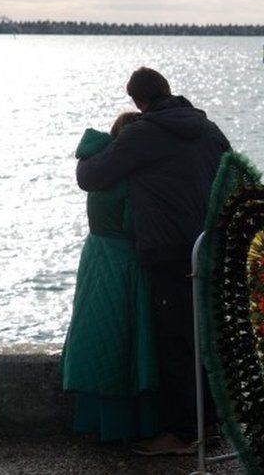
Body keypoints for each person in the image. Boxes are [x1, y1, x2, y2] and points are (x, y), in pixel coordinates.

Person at [77, 67, 231, 455]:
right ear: (167, 90)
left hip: (167, 251)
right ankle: (209, 424)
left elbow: (93, 177)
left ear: (137, 102)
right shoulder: (207, 128)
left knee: (175, 344)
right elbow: (231, 174)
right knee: (203, 338)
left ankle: (181, 435)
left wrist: (87, 150)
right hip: (208, 246)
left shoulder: (142, 133)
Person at [62, 111, 158, 443]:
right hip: (124, 262)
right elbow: (136, 225)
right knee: (128, 342)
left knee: (98, 334)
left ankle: (94, 421)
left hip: (95, 257)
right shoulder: (129, 180)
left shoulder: (95, 170)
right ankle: (134, 425)